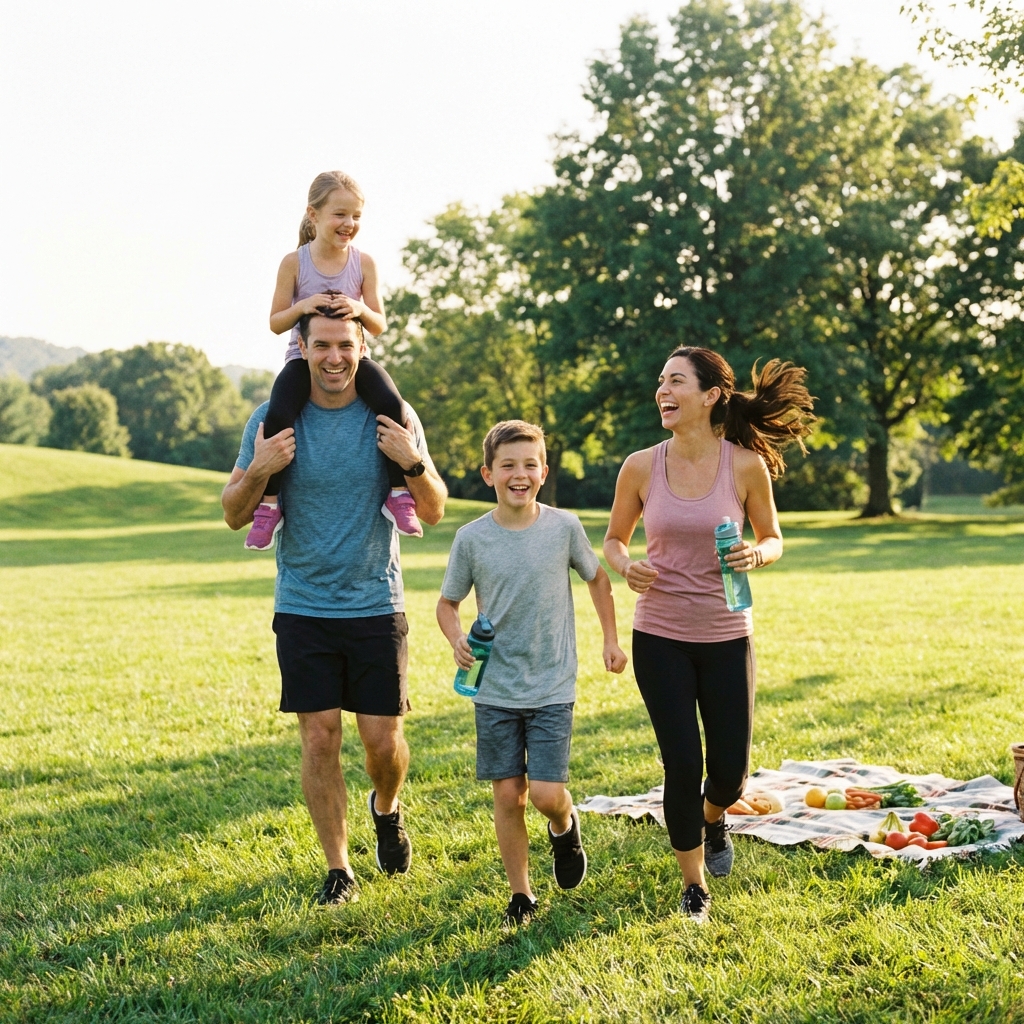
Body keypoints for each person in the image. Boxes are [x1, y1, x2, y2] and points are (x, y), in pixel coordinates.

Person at [222, 312, 447, 905]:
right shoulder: (271, 419)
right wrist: (262, 469)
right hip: (303, 604)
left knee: (382, 744)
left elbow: (434, 509)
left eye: (345, 345)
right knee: (319, 739)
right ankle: (339, 868)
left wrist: (411, 460)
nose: (333, 357)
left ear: (362, 346)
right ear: (301, 348)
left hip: (376, 601)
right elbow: (234, 512)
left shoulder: (393, 414)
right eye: (320, 345)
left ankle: (387, 807)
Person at [603, 347, 814, 923]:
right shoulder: (640, 466)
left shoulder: (744, 465)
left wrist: (757, 554)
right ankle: (694, 886)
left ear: (711, 395)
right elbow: (614, 540)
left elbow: (773, 537)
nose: (662, 391)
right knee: (681, 763)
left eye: (676, 381)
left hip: (726, 633)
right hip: (660, 634)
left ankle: (714, 816)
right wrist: (627, 566)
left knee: (729, 774)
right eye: (660, 381)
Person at [436, 420, 628, 926]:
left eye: (529, 464)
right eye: (508, 465)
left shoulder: (563, 528)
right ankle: (521, 894)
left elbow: (598, 579)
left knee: (544, 794)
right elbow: (447, 604)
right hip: (495, 686)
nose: (519, 474)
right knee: (507, 795)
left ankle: (564, 825)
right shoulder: (471, 538)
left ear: (543, 471)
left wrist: (610, 640)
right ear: (488, 474)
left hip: (551, 682)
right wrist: (456, 639)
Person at [245, 170, 423, 551]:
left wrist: (358, 307)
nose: (349, 223)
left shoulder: (364, 263)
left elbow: (378, 324)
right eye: (340, 214)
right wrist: (304, 305)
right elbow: (276, 322)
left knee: (392, 405)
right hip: (304, 360)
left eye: (356, 216)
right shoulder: (295, 263)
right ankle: (269, 506)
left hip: (355, 359)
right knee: (278, 414)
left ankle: (398, 494)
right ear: (314, 214)